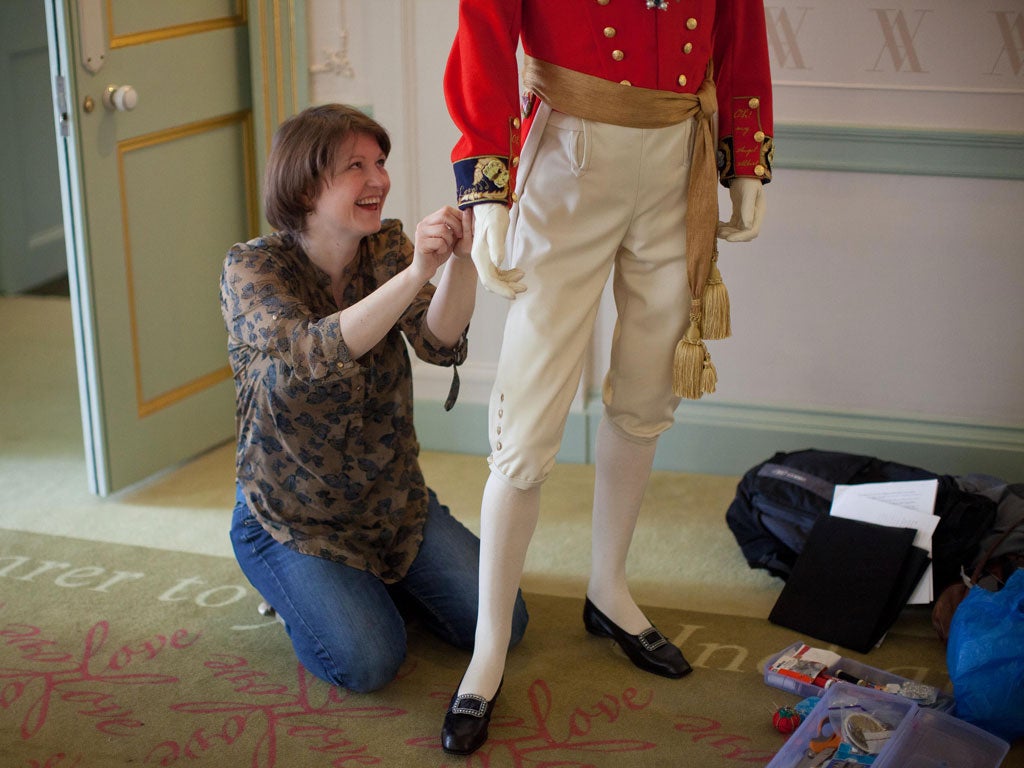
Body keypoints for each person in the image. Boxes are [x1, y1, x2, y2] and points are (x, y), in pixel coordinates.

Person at [440, 1, 773, 755]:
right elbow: (485, 37)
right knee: (528, 411)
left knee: (648, 388)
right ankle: (488, 647)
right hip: (567, 153)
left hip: (675, 160)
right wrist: (488, 189)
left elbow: (740, 32)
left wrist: (745, 157)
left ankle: (609, 587)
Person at [219, 103, 528, 695]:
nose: (379, 179)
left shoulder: (384, 246)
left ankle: (367, 584)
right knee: (367, 663)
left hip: (392, 505)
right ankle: (297, 590)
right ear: (306, 184)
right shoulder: (252, 268)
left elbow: (439, 343)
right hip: (290, 516)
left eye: (380, 162)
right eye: (355, 166)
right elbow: (315, 351)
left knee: (504, 625)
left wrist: (460, 262)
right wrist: (415, 275)